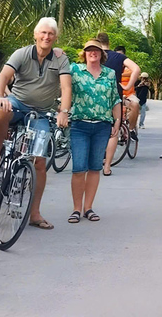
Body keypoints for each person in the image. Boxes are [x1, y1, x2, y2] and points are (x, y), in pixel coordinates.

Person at [0, 17, 71, 231]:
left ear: (55, 37)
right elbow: (3, 77)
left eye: (50, 34)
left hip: (41, 112)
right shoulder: (21, 53)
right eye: (43, 33)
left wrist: (64, 112)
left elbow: (66, 88)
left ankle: (35, 213)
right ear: (35, 35)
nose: (46, 37)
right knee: (1, 111)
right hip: (17, 103)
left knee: (39, 163)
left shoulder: (60, 59)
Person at [67, 40, 121, 223]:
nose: (93, 53)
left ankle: (88, 207)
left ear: (101, 53)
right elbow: (61, 78)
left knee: (95, 167)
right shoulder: (75, 70)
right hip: (79, 125)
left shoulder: (110, 74)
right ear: (84, 54)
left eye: (96, 50)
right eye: (89, 50)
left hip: (102, 125)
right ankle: (76, 209)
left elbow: (115, 98)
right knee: (78, 168)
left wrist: (118, 121)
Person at [97, 33, 140, 176]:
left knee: (97, 127)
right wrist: (127, 87)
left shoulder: (93, 54)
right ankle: (107, 166)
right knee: (113, 131)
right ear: (109, 42)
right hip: (115, 96)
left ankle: (96, 160)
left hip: (96, 95)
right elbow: (136, 69)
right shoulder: (119, 57)